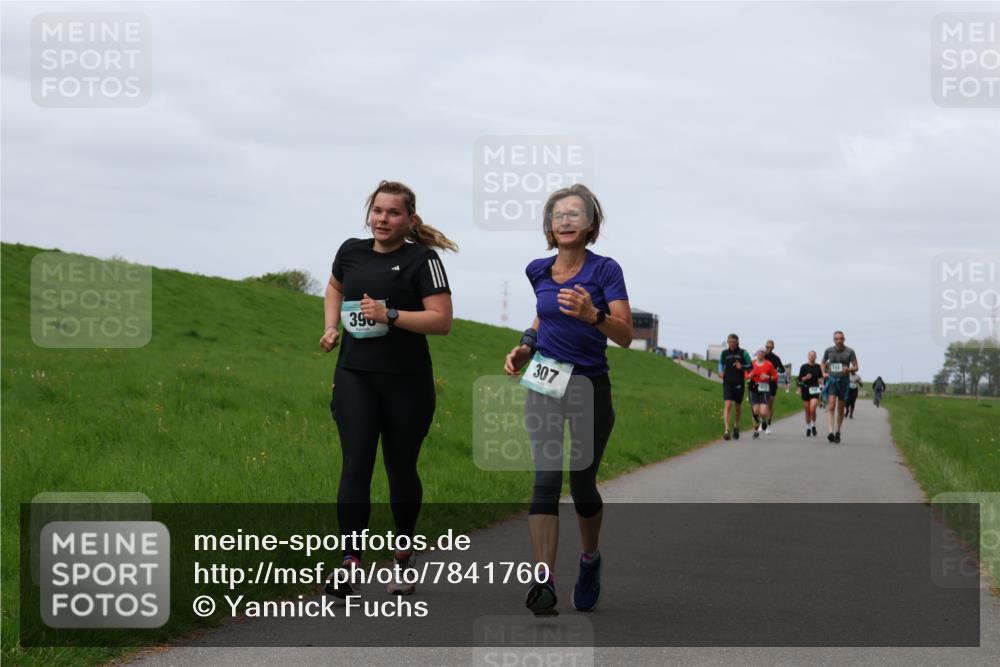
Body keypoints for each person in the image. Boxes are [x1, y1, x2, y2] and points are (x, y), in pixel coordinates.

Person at [321, 180, 456, 598]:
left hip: (407, 382)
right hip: (355, 375)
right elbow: (334, 288)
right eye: (377, 211)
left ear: (410, 219)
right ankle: (349, 563)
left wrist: (390, 313)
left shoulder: (423, 260)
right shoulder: (350, 251)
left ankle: (403, 553)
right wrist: (330, 327)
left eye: (393, 213)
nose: (383, 219)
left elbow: (441, 320)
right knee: (355, 465)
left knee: (400, 471)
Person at [503, 184, 632, 615]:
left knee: (580, 484)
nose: (565, 220)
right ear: (549, 224)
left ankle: (590, 559)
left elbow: (626, 335)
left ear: (591, 224)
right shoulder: (537, 269)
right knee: (544, 478)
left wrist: (593, 315)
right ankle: (544, 580)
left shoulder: (605, 271)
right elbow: (542, 316)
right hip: (545, 378)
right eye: (558, 214)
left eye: (575, 214)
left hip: (589, 385)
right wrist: (525, 345)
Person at [821, 330, 859, 443]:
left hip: (844, 381)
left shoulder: (850, 351)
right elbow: (822, 362)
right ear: (833, 340)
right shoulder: (829, 350)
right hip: (832, 380)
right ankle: (830, 432)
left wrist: (850, 369)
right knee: (831, 406)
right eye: (836, 339)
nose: (839, 341)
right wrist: (823, 373)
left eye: (841, 338)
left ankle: (838, 431)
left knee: (841, 408)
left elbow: (856, 366)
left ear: (844, 339)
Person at [718, 333, 752, 441]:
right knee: (727, 405)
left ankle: (736, 426)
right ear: (727, 342)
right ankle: (727, 430)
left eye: (733, 342)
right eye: (730, 342)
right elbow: (720, 364)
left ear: (737, 342)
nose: (731, 344)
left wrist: (741, 366)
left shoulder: (743, 353)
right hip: (728, 382)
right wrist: (720, 371)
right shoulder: (724, 353)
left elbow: (750, 366)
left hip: (739, 384)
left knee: (737, 408)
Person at [747, 348, 779, 438]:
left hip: (764, 388)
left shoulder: (769, 364)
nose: (760, 354)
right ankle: (755, 431)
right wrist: (749, 375)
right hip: (753, 388)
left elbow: (775, 376)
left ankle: (763, 419)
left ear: (764, 354)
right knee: (755, 411)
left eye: (762, 353)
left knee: (763, 412)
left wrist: (768, 377)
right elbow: (746, 374)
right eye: (759, 353)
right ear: (756, 354)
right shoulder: (752, 363)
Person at [797, 351, 823, 437]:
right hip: (805, 389)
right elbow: (799, 380)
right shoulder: (803, 367)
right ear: (808, 357)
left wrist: (821, 381)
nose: (812, 357)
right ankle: (808, 428)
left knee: (812, 409)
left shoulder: (819, 367)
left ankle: (813, 425)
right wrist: (805, 378)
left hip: (815, 389)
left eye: (813, 355)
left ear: (816, 357)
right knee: (807, 411)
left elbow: (822, 378)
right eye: (810, 355)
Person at [763, 340, 785, 434]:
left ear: (773, 348)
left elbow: (782, 369)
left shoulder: (776, 358)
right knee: (762, 404)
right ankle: (762, 422)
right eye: (767, 347)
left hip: (772, 383)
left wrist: (777, 370)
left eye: (771, 347)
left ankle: (768, 425)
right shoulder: (761, 356)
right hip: (762, 382)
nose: (769, 349)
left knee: (770, 404)